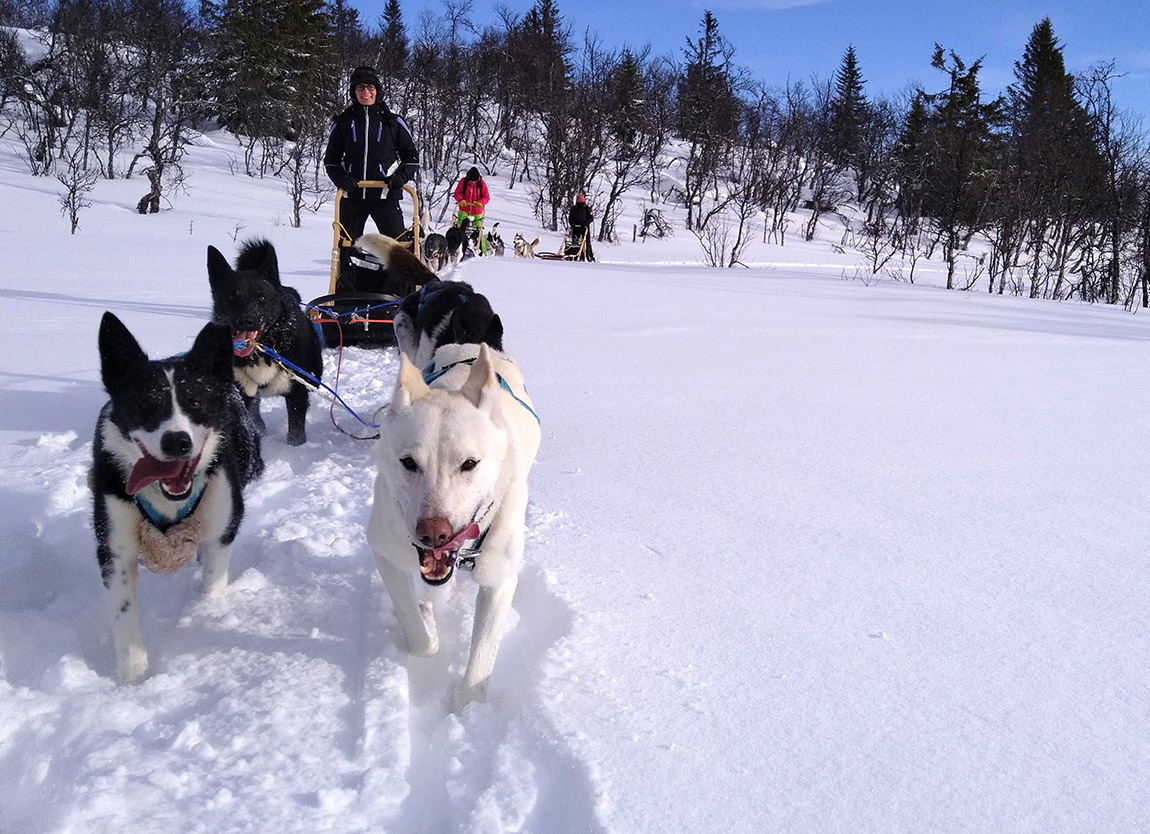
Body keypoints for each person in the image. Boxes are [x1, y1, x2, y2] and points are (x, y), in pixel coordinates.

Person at [324, 66, 419, 241]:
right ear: (353, 91)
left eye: (370, 87)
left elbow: (411, 157)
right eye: (360, 87)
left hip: (385, 194)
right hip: (352, 196)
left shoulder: (393, 122)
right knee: (346, 248)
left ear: (377, 90)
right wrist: (341, 179)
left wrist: (401, 177)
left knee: (398, 249)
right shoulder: (343, 122)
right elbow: (331, 160)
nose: (365, 92)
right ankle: (347, 269)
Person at [453, 166, 490, 254]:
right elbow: (457, 193)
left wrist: (481, 202)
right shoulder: (463, 181)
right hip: (464, 209)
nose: (473, 181)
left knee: (478, 230)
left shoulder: (481, 183)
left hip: (477, 211)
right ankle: (457, 247)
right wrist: (461, 200)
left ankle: (482, 251)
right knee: (459, 228)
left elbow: (486, 197)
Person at [567, 192, 595, 262]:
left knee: (586, 243)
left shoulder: (586, 209)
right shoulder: (574, 209)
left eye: (580, 200)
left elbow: (591, 218)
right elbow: (570, 218)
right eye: (578, 200)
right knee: (575, 242)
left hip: (584, 228)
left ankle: (588, 257)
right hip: (576, 228)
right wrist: (572, 224)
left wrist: (585, 223)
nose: (579, 202)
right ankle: (573, 256)